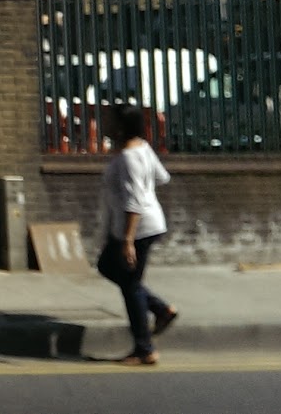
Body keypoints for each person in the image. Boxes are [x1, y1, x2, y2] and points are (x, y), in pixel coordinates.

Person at [96, 103, 177, 366]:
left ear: (120, 127)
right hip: (145, 223)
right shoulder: (141, 148)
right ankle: (160, 308)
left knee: (130, 286)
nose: (104, 123)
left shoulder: (128, 159)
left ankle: (145, 349)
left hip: (137, 229)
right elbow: (161, 177)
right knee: (107, 266)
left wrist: (128, 241)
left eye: (108, 120)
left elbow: (134, 203)